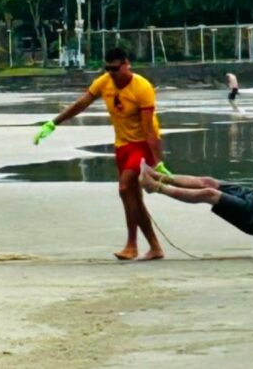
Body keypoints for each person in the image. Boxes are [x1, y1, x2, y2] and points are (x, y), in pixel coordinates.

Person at [34, 48, 170, 261]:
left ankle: (132, 244)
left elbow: (149, 129)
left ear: (126, 64)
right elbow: (82, 103)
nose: (111, 73)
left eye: (115, 68)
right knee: (133, 196)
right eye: (107, 68)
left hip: (142, 144)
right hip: (122, 145)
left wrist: (158, 160)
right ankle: (154, 247)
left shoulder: (142, 87)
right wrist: (54, 122)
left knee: (125, 187)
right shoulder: (104, 82)